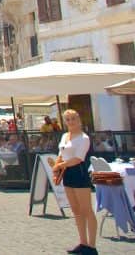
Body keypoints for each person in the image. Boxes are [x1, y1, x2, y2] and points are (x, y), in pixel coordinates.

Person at [52, 109, 96, 255]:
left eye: (73, 119)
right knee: (76, 209)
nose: (71, 122)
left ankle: (92, 245)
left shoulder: (84, 138)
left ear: (79, 120)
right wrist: (56, 168)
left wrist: (60, 165)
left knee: (86, 209)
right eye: (68, 119)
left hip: (79, 172)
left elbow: (78, 158)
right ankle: (83, 242)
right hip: (67, 174)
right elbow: (61, 153)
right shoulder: (65, 136)